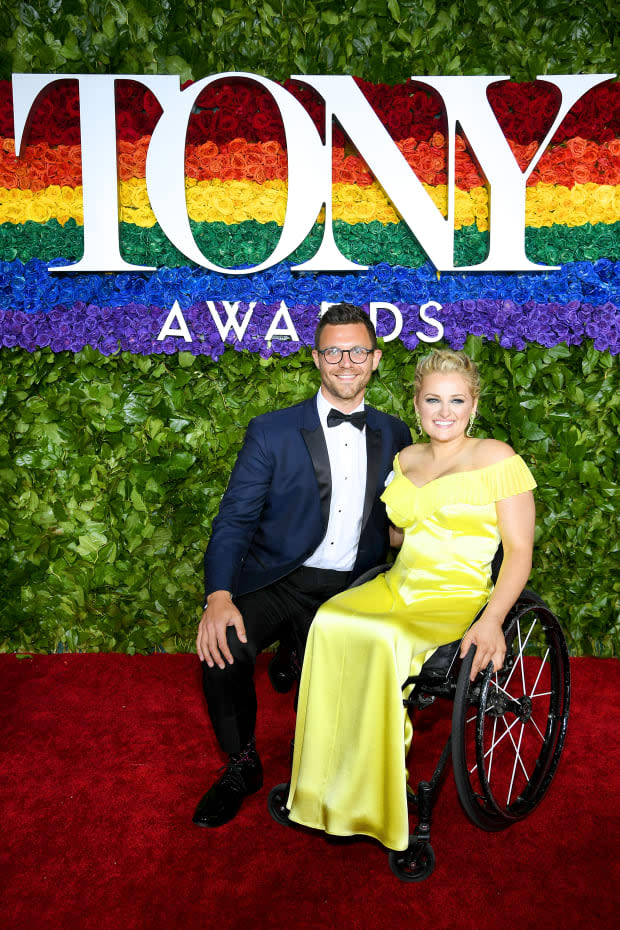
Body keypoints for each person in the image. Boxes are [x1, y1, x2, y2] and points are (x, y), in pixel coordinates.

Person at [286, 349, 536, 852]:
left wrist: (492, 622)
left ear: (473, 405)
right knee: (330, 620)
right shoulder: (406, 460)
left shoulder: (497, 458)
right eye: (433, 400)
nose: (445, 411)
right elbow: (401, 536)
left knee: (382, 637)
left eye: (456, 400)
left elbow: (519, 551)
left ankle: (373, 797)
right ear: (417, 405)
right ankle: (323, 789)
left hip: (455, 595)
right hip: (400, 583)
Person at [193, 303, 412, 828]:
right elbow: (234, 520)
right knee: (223, 647)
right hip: (281, 578)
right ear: (316, 358)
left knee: (351, 681)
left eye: (357, 350)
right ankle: (242, 764)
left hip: (354, 587)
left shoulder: (396, 433)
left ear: (376, 359)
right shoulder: (271, 431)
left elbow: (404, 516)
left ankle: (321, 722)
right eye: (333, 350)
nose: (345, 361)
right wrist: (218, 596)